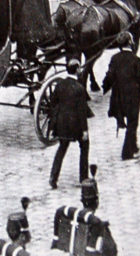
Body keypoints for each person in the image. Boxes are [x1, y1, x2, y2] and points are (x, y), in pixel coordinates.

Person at [103, 32, 140, 160]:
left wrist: (105, 87)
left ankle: (134, 145)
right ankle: (127, 152)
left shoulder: (114, 58)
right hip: (133, 96)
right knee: (133, 123)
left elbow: (109, 77)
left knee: (128, 120)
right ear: (130, 43)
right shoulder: (136, 60)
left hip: (118, 95)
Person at [49, 58, 94, 189]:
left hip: (62, 125)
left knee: (62, 149)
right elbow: (82, 112)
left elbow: (53, 103)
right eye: (79, 68)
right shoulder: (79, 88)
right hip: (76, 126)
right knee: (84, 147)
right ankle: (83, 177)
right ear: (77, 70)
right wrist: (85, 130)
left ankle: (53, 176)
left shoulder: (59, 85)